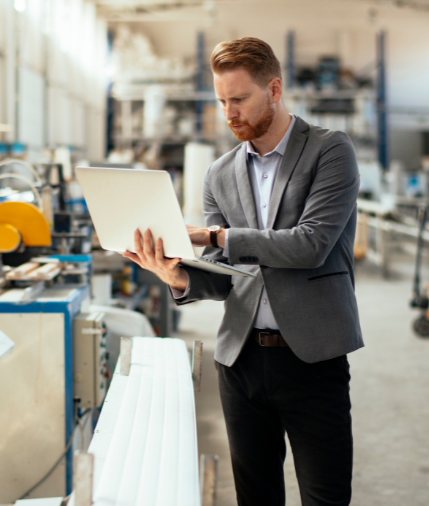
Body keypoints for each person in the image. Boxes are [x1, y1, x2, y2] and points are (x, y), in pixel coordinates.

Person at [123, 37, 363, 506]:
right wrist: (179, 277)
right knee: (256, 497)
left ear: (273, 90)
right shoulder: (219, 173)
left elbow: (311, 244)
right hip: (240, 361)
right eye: (221, 101)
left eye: (239, 99)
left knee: (326, 496)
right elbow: (224, 273)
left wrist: (214, 236)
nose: (228, 113)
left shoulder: (330, 151)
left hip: (313, 356)